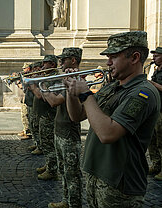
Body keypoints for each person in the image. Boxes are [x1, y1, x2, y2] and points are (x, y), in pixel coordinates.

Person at [65, 31, 160, 207]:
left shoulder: (143, 93)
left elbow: (108, 134)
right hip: (97, 176)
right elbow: (76, 116)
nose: (108, 62)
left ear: (134, 58)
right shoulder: (112, 88)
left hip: (120, 185)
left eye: (113, 57)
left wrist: (86, 94)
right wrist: (71, 91)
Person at [42, 48, 83, 208]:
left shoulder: (75, 80)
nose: (60, 62)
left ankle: (73, 204)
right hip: (60, 129)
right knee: (64, 170)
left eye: (63, 59)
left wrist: (42, 85)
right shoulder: (65, 79)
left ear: (73, 60)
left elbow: (54, 101)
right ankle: (66, 200)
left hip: (69, 133)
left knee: (71, 173)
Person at [29, 55, 59, 180]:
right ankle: (48, 165)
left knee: (49, 144)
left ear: (52, 64)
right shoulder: (46, 77)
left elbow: (41, 95)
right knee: (45, 143)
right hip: (43, 115)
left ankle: (52, 170)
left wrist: (33, 85)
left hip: (49, 116)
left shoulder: (54, 78)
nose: (42, 66)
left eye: (45, 63)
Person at [147, 47, 162, 180]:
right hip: (155, 109)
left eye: (156, 56)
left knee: (161, 141)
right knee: (152, 139)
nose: (153, 58)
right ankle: (156, 165)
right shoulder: (156, 70)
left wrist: (151, 83)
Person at [17, 62, 32, 138]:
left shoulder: (30, 77)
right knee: (23, 115)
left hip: (26, 99)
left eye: (24, 68)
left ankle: (28, 132)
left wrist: (20, 85)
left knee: (26, 115)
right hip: (22, 99)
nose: (23, 69)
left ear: (28, 68)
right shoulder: (24, 76)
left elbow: (26, 87)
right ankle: (25, 129)